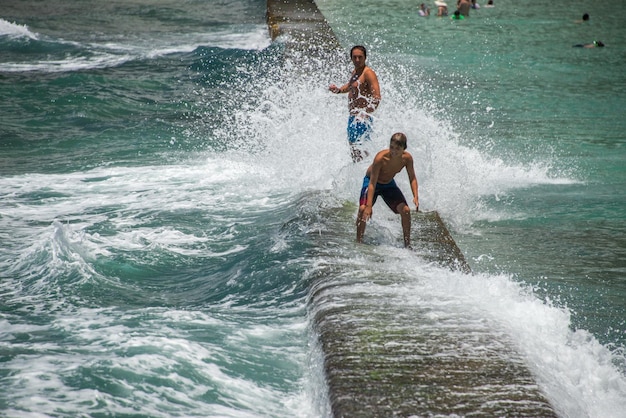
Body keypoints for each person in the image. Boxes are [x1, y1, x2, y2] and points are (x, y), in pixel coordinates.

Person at [356, 132, 419, 248]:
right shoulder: (381, 158)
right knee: (363, 209)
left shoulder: (407, 159)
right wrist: (369, 206)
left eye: (398, 148)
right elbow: (372, 184)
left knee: (405, 211)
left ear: (404, 149)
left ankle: (407, 244)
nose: (394, 151)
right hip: (371, 182)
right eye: (392, 147)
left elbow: (412, 178)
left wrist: (415, 196)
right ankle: (358, 241)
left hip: (388, 184)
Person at [329, 45, 381, 162]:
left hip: (362, 119)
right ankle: (359, 173)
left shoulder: (368, 73)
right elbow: (350, 86)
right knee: (354, 150)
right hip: (353, 118)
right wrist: (338, 90)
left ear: (365, 58)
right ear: (351, 58)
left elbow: (377, 97)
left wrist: (365, 113)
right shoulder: (355, 72)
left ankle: (368, 173)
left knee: (362, 149)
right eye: (354, 57)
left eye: (360, 57)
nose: (357, 60)